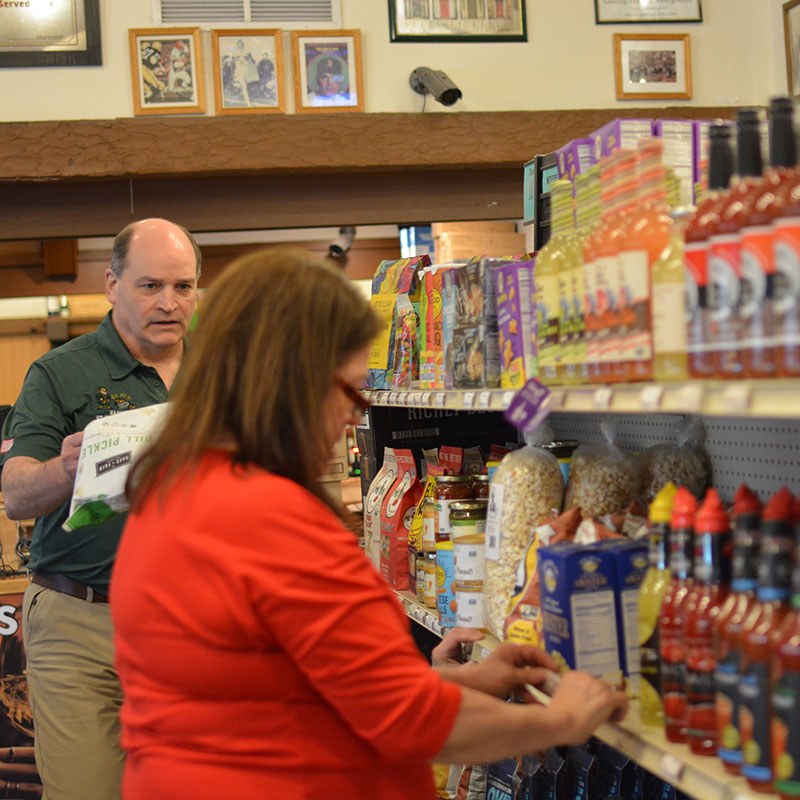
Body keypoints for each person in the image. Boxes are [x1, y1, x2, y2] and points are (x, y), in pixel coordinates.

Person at [110, 247, 627, 800]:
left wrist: (469, 680)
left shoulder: (174, 488)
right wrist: (563, 720)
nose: (353, 416)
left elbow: (278, 691)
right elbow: (408, 721)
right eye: (349, 391)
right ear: (290, 384)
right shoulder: (267, 517)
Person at [0, 218, 201, 800]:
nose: (169, 303)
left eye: (183, 287)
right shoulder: (61, 373)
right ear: (112, 285)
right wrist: (65, 468)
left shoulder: (224, 370)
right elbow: (15, 493)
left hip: (196, 619)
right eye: (150, 286)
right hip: (82, 618)